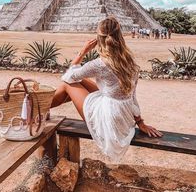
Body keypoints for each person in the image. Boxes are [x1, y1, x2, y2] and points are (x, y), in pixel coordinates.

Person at [51, 17, 162, 161]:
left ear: (99, 38)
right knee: (81, 80)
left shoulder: (99, 64)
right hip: (124, 117)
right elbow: (132, 96)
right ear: (120, 36)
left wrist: (82, 52)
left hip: (108, 119)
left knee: (66, 85)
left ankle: (38, 109)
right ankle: (42, 109)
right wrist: (140, 122)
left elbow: (67, 77)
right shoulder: (131, 62)